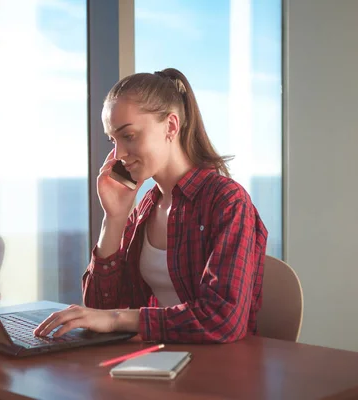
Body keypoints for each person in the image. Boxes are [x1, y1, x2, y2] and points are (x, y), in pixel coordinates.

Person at [35, 68, 267, 343]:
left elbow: (223, 319)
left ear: (171, 126)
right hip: (160, 361)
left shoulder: (227, 201)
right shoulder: (147, 206)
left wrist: (116, 319)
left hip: (216, 371)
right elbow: (101, 310)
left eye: (129, 136)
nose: (119, 154)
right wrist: (114, 219)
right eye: (113, 140)